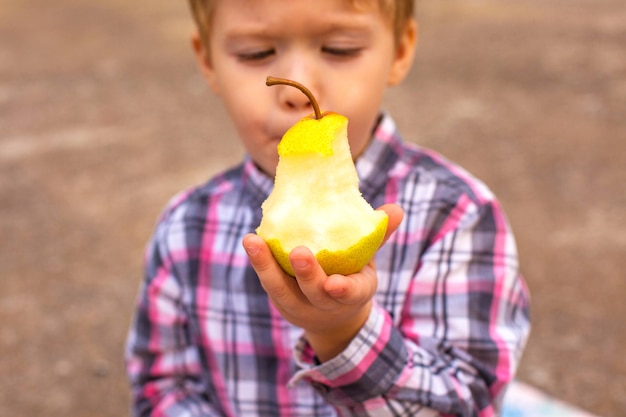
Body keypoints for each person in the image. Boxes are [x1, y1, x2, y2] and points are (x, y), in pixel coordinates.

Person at [125, 0, 531, 416]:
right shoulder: (186, 229)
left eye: (340, 48)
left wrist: (342, 333)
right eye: (256, 54)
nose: (298, 88)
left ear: (401, 49)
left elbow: (465, 402)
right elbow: (164, 389)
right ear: (207, 61)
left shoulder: (457, 216)